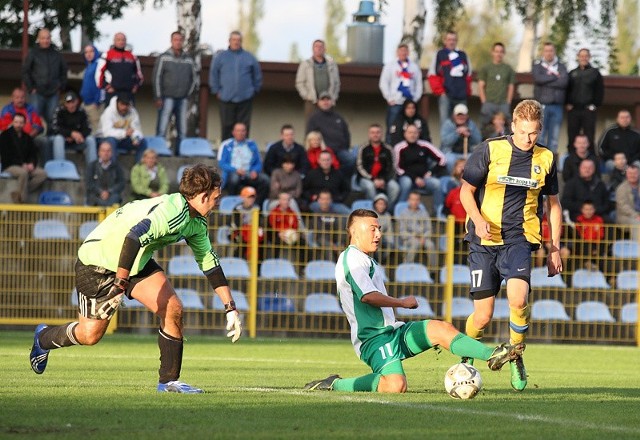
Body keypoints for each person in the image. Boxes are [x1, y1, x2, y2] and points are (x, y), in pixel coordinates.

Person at [29, 164, 243, 394]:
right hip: (98, 261)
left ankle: (168, 382)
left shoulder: (196, 222)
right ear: (202, 196)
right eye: (216, 197)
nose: (218, 201)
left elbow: (209, 262)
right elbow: (133, 237)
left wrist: (230, 308)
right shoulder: (169, 213)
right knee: (89, 335)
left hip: (134, 261)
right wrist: (120, 284)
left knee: (173, 308)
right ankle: (43, 337)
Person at [303, 208, 523, 393]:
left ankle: (492, 355)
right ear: (354, 231)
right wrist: (401, 303)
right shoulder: (351, 258)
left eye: (379, 229)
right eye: (373, 229)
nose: (378, 234)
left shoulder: (366, 259)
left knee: (440, 328)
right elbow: (367, 296)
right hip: (373, 339)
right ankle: (335, 384)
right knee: (396, 386)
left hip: (393, 332)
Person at [459, 99, 563, 392]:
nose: (529, 139)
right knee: (483, 315)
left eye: (534, 133)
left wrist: (554, 246)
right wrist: (478, 221)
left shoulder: (546, 158)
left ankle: (516, 354)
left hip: (520, 238)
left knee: (518, 300)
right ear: (513, 126)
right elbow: (466, 192)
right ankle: (467, 357)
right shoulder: (490, 149)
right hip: (484, 240)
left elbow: (554, 206)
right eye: (523, 132)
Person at [209, 31, 262, 141]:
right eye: (234, 40)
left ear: (241, 42)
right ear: (229, 41)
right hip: (226, 98)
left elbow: (257, 75)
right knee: (227, 126)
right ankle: (226, 151)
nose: (236, 42)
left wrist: (254, 90)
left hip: (245, 98)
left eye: (238, 40)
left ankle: (243, 151)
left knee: (243, 127)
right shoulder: (220, 57)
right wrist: (216, 90)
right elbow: (213, 74)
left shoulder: (249, 57)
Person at [152, 31, 197, 155]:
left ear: (183, 42)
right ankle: (159, 151)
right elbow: (157, 77)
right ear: (171, 41)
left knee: (182, 128)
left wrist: (188, 94)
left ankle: (181, 152)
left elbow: (194, 78)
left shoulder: (188, 59)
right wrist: (158, 96)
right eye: (175, 39)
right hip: (166, 97)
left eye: (180, 40)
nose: (178, 42)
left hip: (183, 98)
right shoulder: (163, 57)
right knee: (162, 127)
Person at [394, 124, 447, 213]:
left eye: (415, 132)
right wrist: (415, 178)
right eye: (410, 132)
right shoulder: (399, 147)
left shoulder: (425, 145)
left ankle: (439, 212)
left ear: (418, 134)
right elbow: (398, 168)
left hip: (424, 178)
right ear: (405, 134)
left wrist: (430, 172)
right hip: (406, 177)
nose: (412, 135)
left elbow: (443, 159)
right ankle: (400, 211)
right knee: (406, 183)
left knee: (437, 184)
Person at [21, 28, 68, 125]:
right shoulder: (33, 54)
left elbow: (64, 71)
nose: (45, 41)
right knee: (34, 119)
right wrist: (31, 88)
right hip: (37, 92)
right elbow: (25, 71)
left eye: (47, 38)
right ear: (38, 39)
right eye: (43, 38)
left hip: (53, 93)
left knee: (53, 119)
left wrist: (61, 87)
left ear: (50, 39)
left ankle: (51, 139)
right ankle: (33, 140)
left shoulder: (57, 55)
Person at [378, 43, 423, 143]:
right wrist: (389, 98)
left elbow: (419, 84)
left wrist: (415, 100)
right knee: (392, 128)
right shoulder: (390, 66)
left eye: (405, 51)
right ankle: (390, 152)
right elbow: (384, 83)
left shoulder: (414, 67)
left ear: (408, 52)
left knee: (412, 128)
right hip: (396, 102)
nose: (403, 53)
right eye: (401, 51)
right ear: (397, 52)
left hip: (409, 102)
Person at [217, 122, 270, 204]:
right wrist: (235, 170)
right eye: (238, 131)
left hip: (249, 173)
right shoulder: (227, 145)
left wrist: (255, 171)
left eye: (243, 131)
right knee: (234, 179)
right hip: (233, 173)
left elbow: (258, 162)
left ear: (246, 132)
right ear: (233, 132)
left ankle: (258, 206)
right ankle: (234, 205)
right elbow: (222, 163)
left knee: (265, 180)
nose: (240, 133)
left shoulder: (252, 144)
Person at [428, 31, 472, 129]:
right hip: (446, 95)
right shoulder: (440, 54)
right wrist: (441, 92)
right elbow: (432, 75)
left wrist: (467, 92)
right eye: (449, 40)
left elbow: (468, 75)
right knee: (445, 123)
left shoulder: (463, 55)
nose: (451, 42)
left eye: (454, 40)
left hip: (461, 96)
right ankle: (446, 144)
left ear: (456, 41)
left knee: (463, 123)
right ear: (445, 41)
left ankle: (462, 144)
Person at [0, 113, 47, 203]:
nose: (18, 125)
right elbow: (6, 155)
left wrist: (32, 164)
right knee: (23, 173)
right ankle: (22, 201)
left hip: (25, 165)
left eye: (21, 122)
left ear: (24, 123)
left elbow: (33, 153)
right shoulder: (4, 136)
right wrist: (22, 165)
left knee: (42, 174)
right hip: (10, 165)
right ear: (12, 122)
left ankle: (19, 193)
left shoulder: (27, 137)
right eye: (16, 122)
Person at [532, 42, 568, 154]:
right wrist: (554, 77)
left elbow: (563, 82)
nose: (549, 53)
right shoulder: (538, 66)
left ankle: (551, 166)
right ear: (543, 52)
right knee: (540, 136)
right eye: (546, 51)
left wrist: (547, 79)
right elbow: (538, 79)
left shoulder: (561, 67)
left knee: (554, 139)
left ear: (554, 52)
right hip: (542, 105)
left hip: (557, 106)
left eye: (551, 50)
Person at [306, 92, 354, 177]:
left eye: (328, 99)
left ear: (332, 102)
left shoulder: (338, 117)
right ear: (318, 102)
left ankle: (338, 177)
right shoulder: (314, 118)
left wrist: (345, 147)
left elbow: (346, 134)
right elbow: (310, 136)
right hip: (323, 151)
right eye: (323, 100)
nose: (325, 102)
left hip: (340, 150)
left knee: (352, 160)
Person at [565, 48, 604, 152]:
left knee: (589, 136)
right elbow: (567, 90)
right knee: (572, 136)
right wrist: (567, 103)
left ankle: (590, 160)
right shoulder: (572, 73)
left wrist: (595, 105)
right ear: (578, 57)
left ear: (589, 57)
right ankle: (571, 160)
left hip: (588, 110)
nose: (583, 58)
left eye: (586, 56)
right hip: (574, 110)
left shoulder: (595, 73)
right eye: (581, 56)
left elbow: (600, 91)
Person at [295, 39, 340, 122]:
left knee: (329, 126)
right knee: (311, 127)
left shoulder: (332, 64)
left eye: (321, 47)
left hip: (328, 101)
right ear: (312, 49)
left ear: (325, 49)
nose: (319, 48)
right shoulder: (306, 64)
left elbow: (337, 83)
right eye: (316, 46)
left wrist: (333, 97)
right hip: (312, 101)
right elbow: (299, 83)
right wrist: (307, 96)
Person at [355, 123, 400, 207]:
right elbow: (359, 167)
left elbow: (392, 167)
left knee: (395, 187)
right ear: (369, 134)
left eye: (378, 132)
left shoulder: (388, 149)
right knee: (370, 187)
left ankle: (386, 210)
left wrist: (384, 180)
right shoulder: (363, 148)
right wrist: (372, 179)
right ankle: (374, 211)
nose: (375, 135)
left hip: (384, 179)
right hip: (366, 179)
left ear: (381, 134)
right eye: (373, 132)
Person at [50, 90, 97, 168]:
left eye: (73, 102)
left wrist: (79, 135)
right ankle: (60, 168)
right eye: (68, 102)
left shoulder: (81, 111)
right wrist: (70, 134)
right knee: (58, 139)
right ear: (65, 103)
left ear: (77, 102)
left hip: (78, 140)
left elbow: (88, 129)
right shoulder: (59, 111)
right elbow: (54, 128)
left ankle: (93, 168)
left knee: (91, 139)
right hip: (64, 140)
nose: (71, 105)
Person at [0, 87, 48, 163]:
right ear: (12, 98)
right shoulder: (7, 110)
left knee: (44, 141)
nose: (20, 100)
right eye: (17, 98)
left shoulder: (31, 108)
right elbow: (4, 127)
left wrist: (29, 136)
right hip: (12, 138)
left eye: (22, 97)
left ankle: (46, 166)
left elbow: (38, 125)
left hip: (31, 137)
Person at [95, 32, 144, 104]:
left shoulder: (133, 57)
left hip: (128, 93)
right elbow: (99, 73)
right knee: (110, 115)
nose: (121, 42)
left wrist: (136, 86)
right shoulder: (107, 55)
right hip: (113, 92)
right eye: (118, 40)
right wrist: (106, 86)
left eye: (123, 40)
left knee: (130, 115)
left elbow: (139, 75)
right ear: (114, 41)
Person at [99, 92, 148, 162]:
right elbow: (106, 132)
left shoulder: (133, 112)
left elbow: (137, 129)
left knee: (142, 142)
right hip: (105, 139)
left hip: (124, 140)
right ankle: (112, 169)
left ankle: (139, 169)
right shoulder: (109, 112)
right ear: (117, 103)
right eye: (122, 104)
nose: (124, 107)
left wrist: (136, 138)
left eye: (127, 105)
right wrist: (124, 133)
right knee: (111, 141)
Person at [477, 42, 515, 128]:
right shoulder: (486, 68)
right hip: (489, 103)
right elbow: (481, 85)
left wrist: (508, 102)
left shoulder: (508, 69)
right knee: (485, 126)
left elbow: (511, 86)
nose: (499, 54)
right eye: (496, 51)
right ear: (492, 52)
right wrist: (484, 101)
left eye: (501, 51)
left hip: (503, 103)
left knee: (506, 127)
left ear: (504, 53)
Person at [396, 191, 437, 266]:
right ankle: (407, 266)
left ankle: (433, 270)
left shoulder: (424, 213)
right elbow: (402, 231)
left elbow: (429, 229)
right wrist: (413, 237)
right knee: (415, 243)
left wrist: (423, 237)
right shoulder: (403, 213)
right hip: (409, 238)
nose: (414, 202)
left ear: (419, 201)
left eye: (417, 199)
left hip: (423, 238)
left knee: (431, 245)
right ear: (408, 200)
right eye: (412, 199)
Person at [303, 150, 350, 215]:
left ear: (331, 160)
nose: (326, 162)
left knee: (350, 214)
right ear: (319, 161)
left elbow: (346, 190)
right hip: (317, 204)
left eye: (327, 160)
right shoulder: (312, 174)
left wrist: (339, 198)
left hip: (334, 204)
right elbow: (304, 190)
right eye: (323, 160)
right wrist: (311, 197)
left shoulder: (338, 174)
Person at [440, 103, 482, 171]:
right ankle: (453, 178)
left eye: (463, 115)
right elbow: (445, 142)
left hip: (467, 153)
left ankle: (468, 180)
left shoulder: (471, 124)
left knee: (475, 161)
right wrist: (457, 133)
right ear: (454, 115)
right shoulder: (448, 124)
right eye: (458, 115)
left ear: (467, 115)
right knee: (450, 160)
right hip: (451, 153)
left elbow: (478, 140)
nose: (461, 117)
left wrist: (469, 134)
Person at [307, 190, 346, 261]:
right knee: (327, 248)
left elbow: (341, 229)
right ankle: (332, 268)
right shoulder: (315, 215)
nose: (325, 201)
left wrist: (339, 243)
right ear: (318, 200)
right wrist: (333, 245)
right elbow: (320, 233)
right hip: (321, 239)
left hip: (335, 240)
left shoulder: (336, 214)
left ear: (331, 200)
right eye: (323, 199)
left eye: (327, 199)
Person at [85, 141, 125, 206]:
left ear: (111, 153)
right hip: (95, 196)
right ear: (99, 152)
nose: (106, 153)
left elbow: (121, 183)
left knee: (115, 198)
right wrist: (100, 192)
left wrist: (109, 192)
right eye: (103, 151)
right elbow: (89, 183)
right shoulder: (92, 166)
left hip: (112, 197)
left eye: (108, 151)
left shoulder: (117, 167)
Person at [574, 200, 605, 270]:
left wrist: (594, 248)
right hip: (584, 245)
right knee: (581, 244)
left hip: (596, 244)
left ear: (594, 210)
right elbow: (579, 235)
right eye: (586, 209)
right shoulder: (579, 220)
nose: (588, 212)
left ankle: (608, 278)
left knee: (601, 252)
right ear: (582, 210)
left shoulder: (599, 220)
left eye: (590, 209)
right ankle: (588, 264)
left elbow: (601, 235)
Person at [80, 45, 104, 133]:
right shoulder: (88, 66)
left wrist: (96, 101)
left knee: (98, 130)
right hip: (85, 103)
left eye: (91, 51)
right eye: (86, 52)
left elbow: (101, 84)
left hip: (94, 104)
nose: (88, 54)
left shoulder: (99, 65)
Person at [615, 163, 640, 240]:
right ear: (626, 174)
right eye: (630, 173)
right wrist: (636, 215)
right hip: (626, 217)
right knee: (636, 223)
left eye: (635, 173)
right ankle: (638, 249)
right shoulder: (621, 188)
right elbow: (623, 207)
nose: (632, 175)